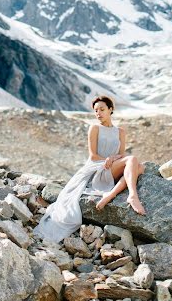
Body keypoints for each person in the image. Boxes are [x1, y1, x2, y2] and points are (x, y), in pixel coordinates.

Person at [33, 95, 146, 244]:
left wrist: (113, 158)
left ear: (110, 109)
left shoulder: (120, 132)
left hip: (111, 166)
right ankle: (132, 195)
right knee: (132, 160)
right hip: (96, 167)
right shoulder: (95, 128)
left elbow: (121, 154)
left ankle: (110, 195)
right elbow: (93, 155)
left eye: (102, 109)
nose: (98, 113)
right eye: (96, 110)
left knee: (139, 167)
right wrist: (107, 159)